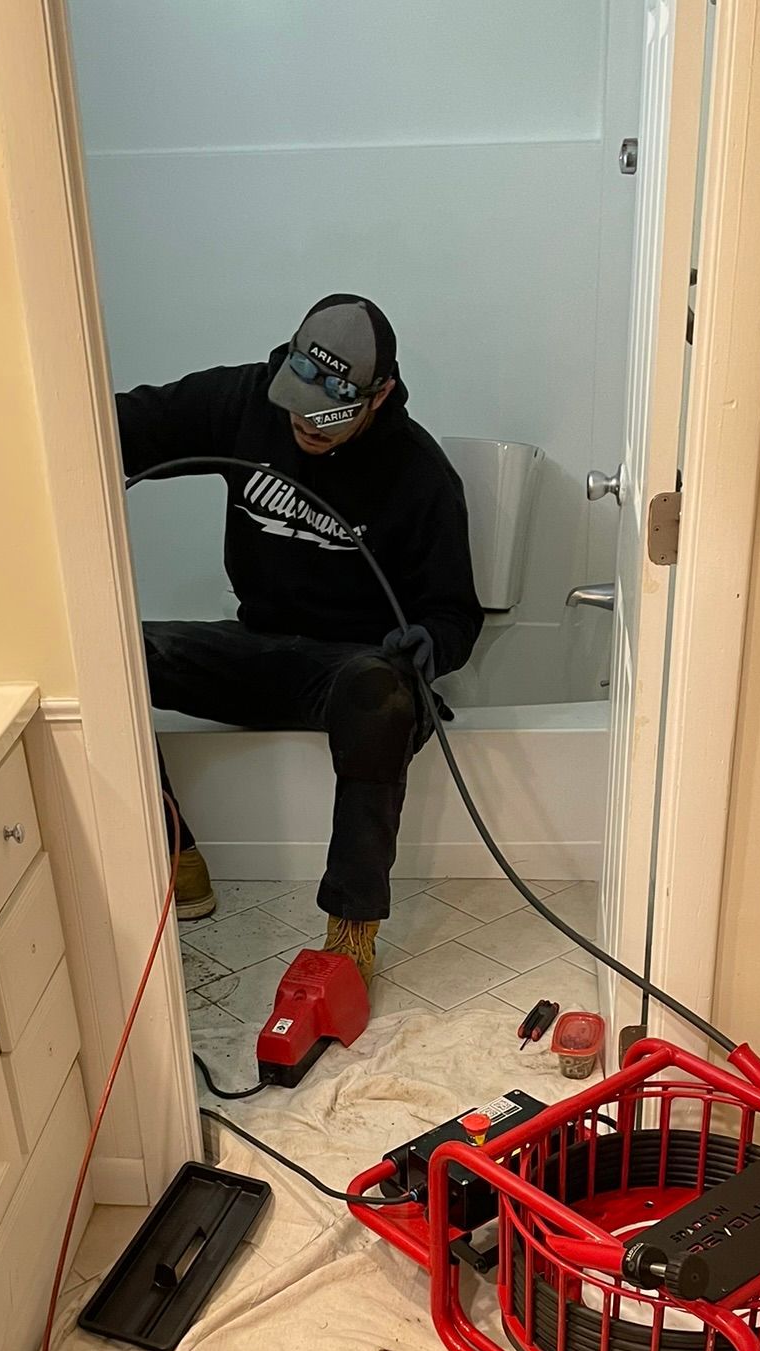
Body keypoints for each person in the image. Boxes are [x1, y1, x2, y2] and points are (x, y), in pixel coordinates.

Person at [115, 294, 483, 985]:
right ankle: (175, 855)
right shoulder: (243, 401)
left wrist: (431, 643)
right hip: (255, 645)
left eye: (328, 416)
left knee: (380, 693)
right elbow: (114, 426)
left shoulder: (419, 474)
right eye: (296, 406)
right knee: (110, 651)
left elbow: (456, 613)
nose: (306, 426)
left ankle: (351, 932)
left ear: (380, 397)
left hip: (353, 668)